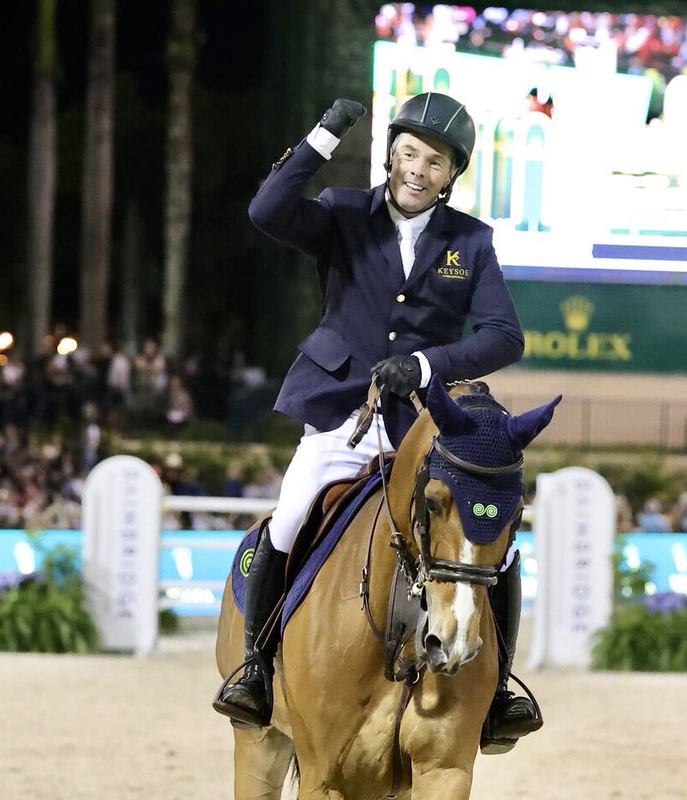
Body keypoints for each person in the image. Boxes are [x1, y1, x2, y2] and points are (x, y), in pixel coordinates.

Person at [213, 92, 537, 750]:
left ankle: (499, 688)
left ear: (452, 174)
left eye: (436, 160)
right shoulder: (341, 214)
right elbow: (266, 210)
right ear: (391, 153)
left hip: (427, 421)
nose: (419, 168)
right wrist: (325, 134)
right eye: (410, 152)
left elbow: (506, 337)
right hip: (342, 414)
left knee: (482, 528)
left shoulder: (470, 243)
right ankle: (254, 666)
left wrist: (424, 365)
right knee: (290, 515)